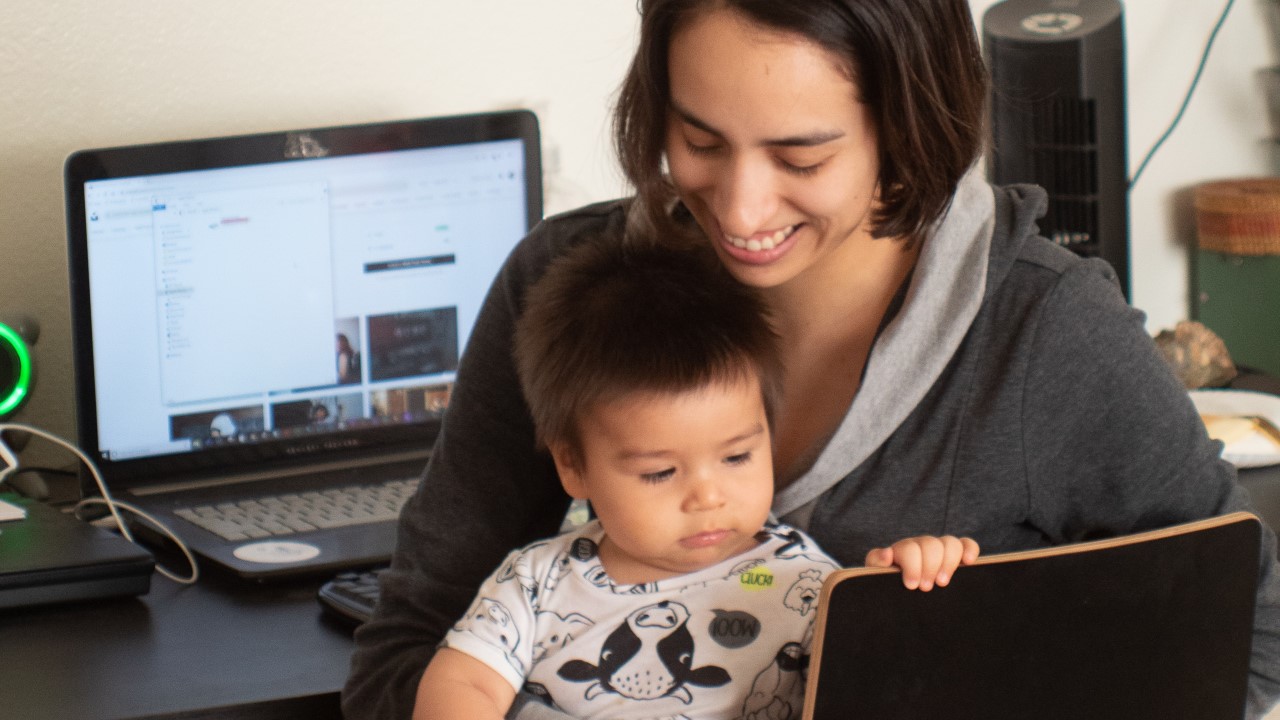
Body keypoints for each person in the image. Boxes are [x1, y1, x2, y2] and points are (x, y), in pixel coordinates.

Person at [344, 1, 1280, 718]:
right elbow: (409, 643)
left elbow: (1247, 638)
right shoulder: (571, 287)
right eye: (700, 141)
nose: (742, 212)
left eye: (802, 156)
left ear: (907, 130)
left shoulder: (1043, 332)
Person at [413, 239, 979, 720]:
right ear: (573, 466)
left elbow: (882, 687)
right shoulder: (537, 584)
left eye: (736, 458)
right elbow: (464, 685)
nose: (708, 497)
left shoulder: (806, 585)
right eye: (660, 472)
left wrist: (897, 597)